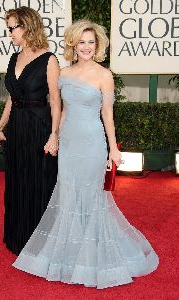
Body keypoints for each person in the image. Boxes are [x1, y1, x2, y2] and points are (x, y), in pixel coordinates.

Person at [12, 20, 159, 289]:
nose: (87, 47)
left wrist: (113, 148)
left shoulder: (104, 75)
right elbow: (64, 110)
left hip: (92, 144)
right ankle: (71, 253)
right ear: (73, 44)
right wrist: (54, 136)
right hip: (69, 143)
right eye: (82, 42)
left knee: (92, 197)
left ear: (98, 45)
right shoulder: (64, 73)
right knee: (67, 194)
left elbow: (107, 115)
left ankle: (91, 256)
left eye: (91, 42)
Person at [0, 6, 61, 255]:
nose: (10, 33)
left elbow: (55, 100)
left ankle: (42, 243)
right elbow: (13, 98)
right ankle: (18, 237)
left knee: (39, 181)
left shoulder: (49, 59)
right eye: (9, 28)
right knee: (18, 181)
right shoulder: (14, 58)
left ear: (28, 26)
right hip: (18, 128)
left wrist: (54, 135)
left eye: (14, 27)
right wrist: (1, 125)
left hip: (39, 127)